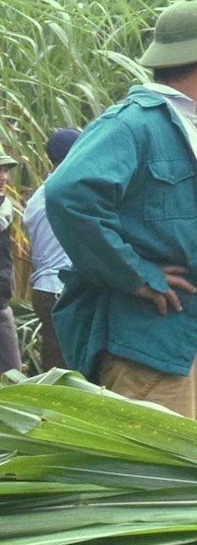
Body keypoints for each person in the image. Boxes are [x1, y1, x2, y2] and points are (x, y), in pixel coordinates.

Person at [47, 0, 197, 422]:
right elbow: (68, 194)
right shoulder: (134, 123)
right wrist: (136, 274)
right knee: (162, 489)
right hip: (157, 353)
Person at [21, 129, 78, 369]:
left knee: (59, 362)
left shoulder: (41, 196)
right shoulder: (64, 193)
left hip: (48, 289)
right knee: (63, 372)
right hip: (58, 290)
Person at [0, 154, 23, 374]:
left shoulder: (4, 207)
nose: (4, 176)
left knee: (12, 374)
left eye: (5, 170)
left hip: (1, 301)